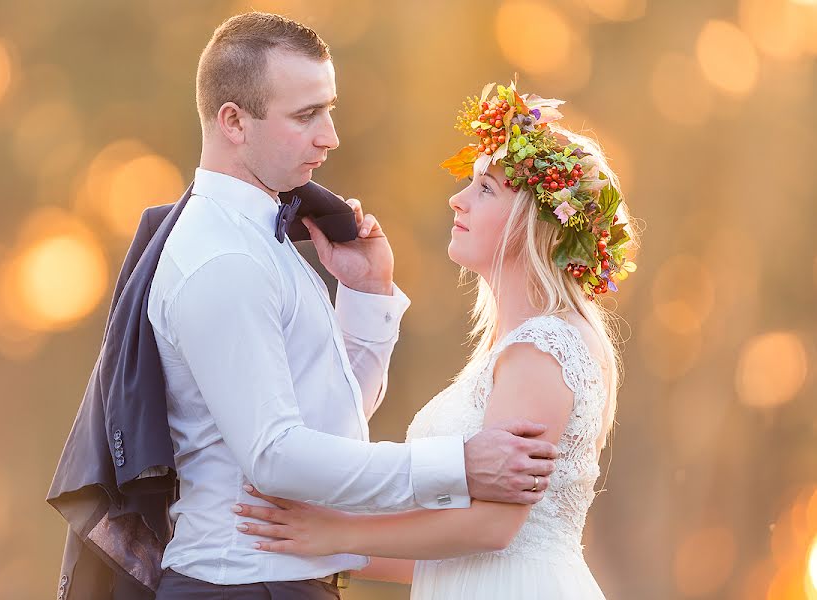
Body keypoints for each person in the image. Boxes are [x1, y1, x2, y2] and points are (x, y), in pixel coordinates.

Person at [149, 15, 560, 600]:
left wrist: (367, 294)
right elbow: (274, 455)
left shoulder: (268, 240)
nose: (330, 136)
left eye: (329, 109)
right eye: (305, 115)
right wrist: (458, 466)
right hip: (243, 587)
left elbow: (325, 420)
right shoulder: (224, 260)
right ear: (234, 122)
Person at [232, 79, 639, 599]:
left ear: (535, 223)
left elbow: (493, 530)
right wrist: (317, 543)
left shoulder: (543, 350)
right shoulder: (511, 348)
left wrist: (337, 530)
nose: (458, 199)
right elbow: (449, 556)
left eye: (485, 189)